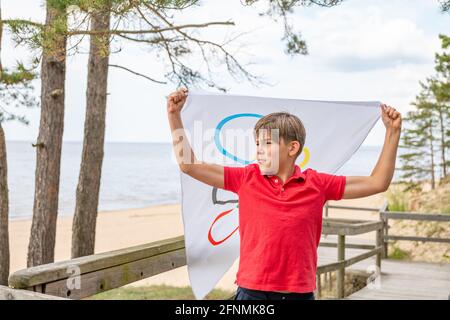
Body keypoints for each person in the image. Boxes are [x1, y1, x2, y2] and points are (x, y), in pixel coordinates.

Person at [166, 87, 402, 300]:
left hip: (299, 294)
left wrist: (392, 133)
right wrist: (174, 116)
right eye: (257, 144)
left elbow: (377, 182)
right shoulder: (247, 178)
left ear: (292, 148)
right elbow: (189, 165)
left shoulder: (317, 184)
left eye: (267, 143)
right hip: (252, 293)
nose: (259, 150)